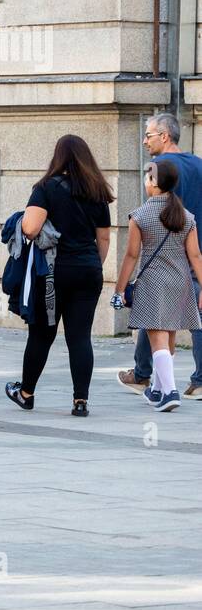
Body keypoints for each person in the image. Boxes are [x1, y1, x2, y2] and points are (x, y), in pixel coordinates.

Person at [5, 134, 113, 417]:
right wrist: (93, 264)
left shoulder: (46, 188)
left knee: (41, 335)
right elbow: (103, 239)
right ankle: (81, 402)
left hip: (53, 273)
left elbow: (29, 228)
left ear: (58, 157)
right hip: (88, 270)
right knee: (80, 337)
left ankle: (26, 393)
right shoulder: (97, 190)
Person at [119, 113, 202, 400]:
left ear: (164, 136)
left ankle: (145, 375)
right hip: (195, 250)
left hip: (169, 255)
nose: (144, 141)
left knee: (155, 313)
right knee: (194, 316)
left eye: (149, 135)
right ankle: (199, 379)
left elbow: (155, 214)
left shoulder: (161, 168)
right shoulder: (199, 164)